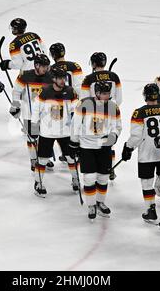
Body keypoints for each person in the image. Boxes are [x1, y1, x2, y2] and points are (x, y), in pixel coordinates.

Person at [70, 81, 122, 220]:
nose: (107, 96)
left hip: (104, 146)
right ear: (97, 93)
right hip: (86, 146)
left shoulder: (113, 107)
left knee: (103, 177)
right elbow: (75, 124)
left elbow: (117, 126)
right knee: (89, 177)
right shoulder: (84, 104)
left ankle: (100, 202)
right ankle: (91, 204)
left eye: (108, 93)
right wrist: (74, 142)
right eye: (104, 93)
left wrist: (113, 136)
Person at [121, 83, 160, 224]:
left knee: (147, 183)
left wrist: (128, 147)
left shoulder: (139, 112)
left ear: (145, 96)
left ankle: (151, 210)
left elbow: (137, 136)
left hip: (147, 154)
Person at [31, 66, 79, 197]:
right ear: (53, 79)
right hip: (47, 132)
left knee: (71, 157)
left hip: (65, 132)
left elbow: (77, 108)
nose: (63, 81)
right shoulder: (45, 91)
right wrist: (34, 127)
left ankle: (75, 179)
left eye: (64, 78)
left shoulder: (70, 91)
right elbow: (36, 109)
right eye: (60, 78)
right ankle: (38, 182)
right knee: (42, 159)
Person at [81, 52, 122, 180]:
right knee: (110, 141)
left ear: (93, 63)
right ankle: (110, 168)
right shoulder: (114, 76)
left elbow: (84, 101)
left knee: (94, 142)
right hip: (112, 112)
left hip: (94, 114)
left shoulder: (89, 79)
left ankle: (97, 165)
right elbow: (119, 99)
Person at [9, 54, 54, 171]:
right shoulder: (25, 76)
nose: (46, 69)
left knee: (45, 138)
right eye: (43, 66)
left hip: (45, 115)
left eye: (47, 66)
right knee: (32, 138)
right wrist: (15, 105)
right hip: (30, 114)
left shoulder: (51, 77)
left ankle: (43, 158)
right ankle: (34, 159)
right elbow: (16, 92)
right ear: (37, 65)